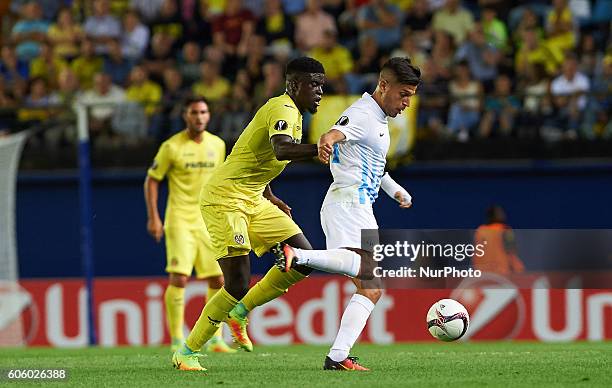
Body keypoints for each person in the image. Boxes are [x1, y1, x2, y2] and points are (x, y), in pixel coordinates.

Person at [172, 57, 325, 371]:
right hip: (225, 198)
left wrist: (270, 194)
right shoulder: (282, 108)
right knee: (237, 281)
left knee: (304, 258)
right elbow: (281, 149)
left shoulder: (294, 113)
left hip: (254, 199)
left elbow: (256, 156)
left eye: (322, 84)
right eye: (314, 84)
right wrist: (320, 147)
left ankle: (239, 312)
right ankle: (187, 351)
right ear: (295, 84)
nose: (320, 92)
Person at [279, 57, 421, 371]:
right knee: (368, 272)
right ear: (384, 86)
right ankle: (300, 257)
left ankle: (338, 357)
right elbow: (334, 134)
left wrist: (395, 190)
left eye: (411, 95)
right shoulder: (362, 113)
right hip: (348, 202)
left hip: (355, 203)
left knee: (370, 287)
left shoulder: (377, 120)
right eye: (403, 94)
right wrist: (327, 142)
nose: (407, 103)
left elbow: (375, 166)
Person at [144, 96, 235, 354]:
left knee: (218, 279)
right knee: (179, 277)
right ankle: (175, 338)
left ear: (209, 115)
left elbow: (223, 180)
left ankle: (215, 339)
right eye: (194, 112)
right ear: (185, 115)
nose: (199, 117)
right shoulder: (171, 147)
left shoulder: (217, 145)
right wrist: (154, 217)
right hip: (180, 219)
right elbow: (152, 180)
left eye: (204, 112)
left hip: (209, 220)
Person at [472, 205, 525, 275]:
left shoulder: (480, 231)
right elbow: (511, 253)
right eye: (500, 213)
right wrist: (519, 269)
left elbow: (476, 255)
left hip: (484, 274)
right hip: (502, 273)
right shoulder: (506, 230)